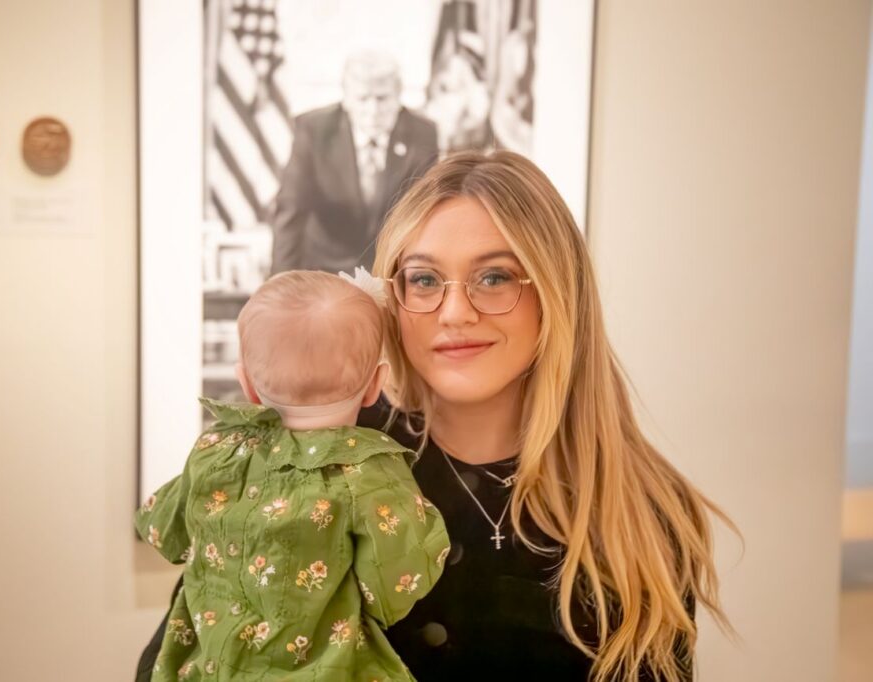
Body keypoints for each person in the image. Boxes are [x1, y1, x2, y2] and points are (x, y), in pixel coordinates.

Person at [139, 150, 733, 681]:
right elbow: (192, 648)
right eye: (423, 279)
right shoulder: (310, 463)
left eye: (494, 276)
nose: (454, 311)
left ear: (557, 294)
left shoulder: (644, 508)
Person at [135, 270, 450, 681]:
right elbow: (399, 579)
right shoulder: (369, 472)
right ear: (375, 384)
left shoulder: (215, 453)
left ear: (246, 384)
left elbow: (167, 532)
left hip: (210, 666)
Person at [269, 51, 439, 275]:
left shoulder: (423, 133)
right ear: (347, 100)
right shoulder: (313, 130)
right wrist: (280, 288)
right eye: (362, 99)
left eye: (382, 98)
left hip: (391, 274)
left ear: (398, 96)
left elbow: (428, 215)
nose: (373, 110)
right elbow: (290, 214)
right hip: (326, 273)